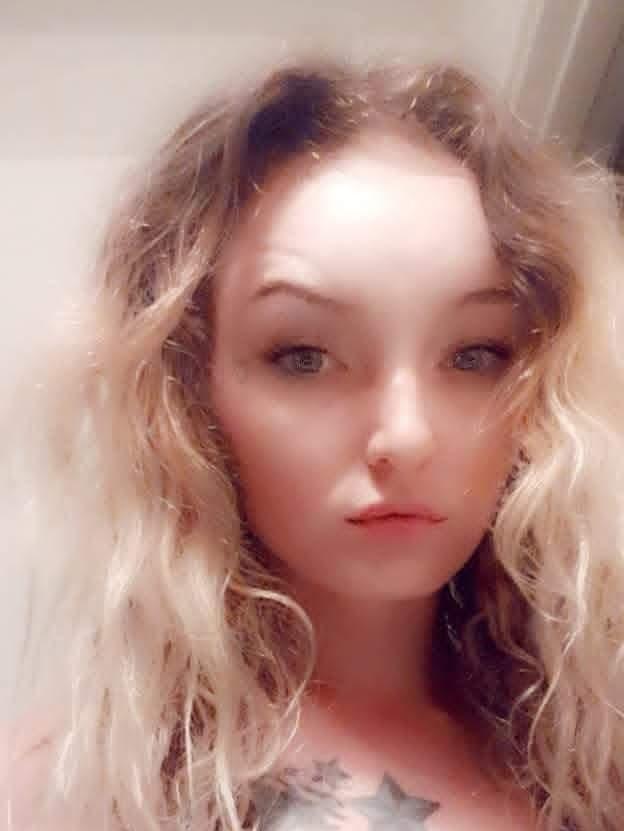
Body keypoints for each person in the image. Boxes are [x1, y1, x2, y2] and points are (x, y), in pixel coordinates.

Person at [4, 55, 624, 831]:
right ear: (191, 392)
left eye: (475, 354)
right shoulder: (73, 786)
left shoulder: (593, 747)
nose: (406, 434)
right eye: (303, 356)